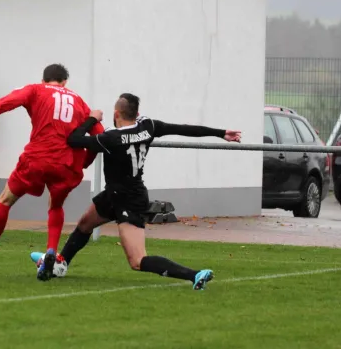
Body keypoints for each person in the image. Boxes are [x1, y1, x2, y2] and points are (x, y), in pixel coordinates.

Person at [30, 93, 241, 289]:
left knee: (137, 261)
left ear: (116, 114)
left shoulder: (110, 138)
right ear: (137, 114)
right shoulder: (146, 127)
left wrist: (92, 118)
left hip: (128, 200)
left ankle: (195, 275)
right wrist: (220, 133)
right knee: (85, 223)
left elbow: (74, 140)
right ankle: (61, 263)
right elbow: (183, 128)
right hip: (115, 193)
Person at [0, 64, 105, 280]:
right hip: (66, 164)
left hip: (37, 159)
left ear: (43, 80)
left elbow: (6, 102)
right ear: (65, 82)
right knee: (55, 205)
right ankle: (50, 250)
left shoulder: (36, 90)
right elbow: (98, 136)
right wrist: (84, 163)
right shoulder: (78, 100)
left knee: (5, 199)